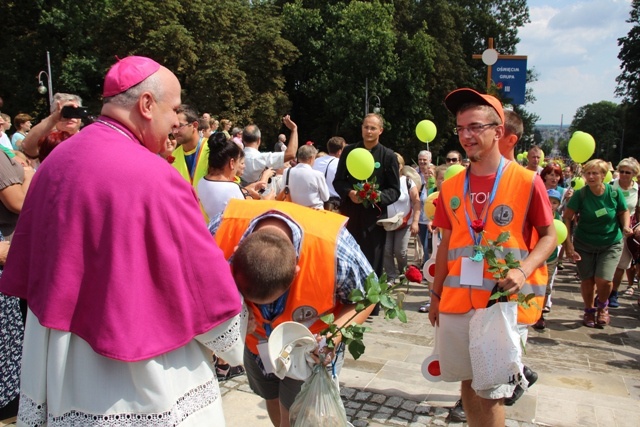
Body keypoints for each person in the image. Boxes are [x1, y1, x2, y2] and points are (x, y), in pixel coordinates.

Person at [0, 56, 244, 426]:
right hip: (140, 375)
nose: (177, 122)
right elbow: (201, 285)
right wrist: (236, 343)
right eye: (174, 109)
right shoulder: (155, 178)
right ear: (146, 105)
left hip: (60, 364)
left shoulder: (55, 162)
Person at [429, 88, 555, 427]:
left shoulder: (528, 181)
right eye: (460, 129)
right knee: (469, 382)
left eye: (475, 127)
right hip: (457, 300)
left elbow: (549, 236)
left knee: (493, 389)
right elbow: (445, 245)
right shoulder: (452, 187)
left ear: (498, 131)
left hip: (502, 302)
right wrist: (435, 296)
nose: (466, 136)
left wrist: (524, 270)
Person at [210, 199, 375, 427]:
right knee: (272, 397)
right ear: (237, 252)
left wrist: (333, 337)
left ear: (297, 267)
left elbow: (368, 297)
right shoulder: (222, 228)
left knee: (297, 417)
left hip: (308, 351)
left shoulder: (336, 248)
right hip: (256, 346)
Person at [564, 159, 631, 328]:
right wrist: (569, 245)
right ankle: (589, 310)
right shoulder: (581, 194)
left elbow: (624, 211)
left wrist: (626, 226)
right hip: (584, 243)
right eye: (588, 173)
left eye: (595, 173)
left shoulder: (614, 193)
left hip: (610, 243)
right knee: (587, 280)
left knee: (604, 279)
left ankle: (602, 306)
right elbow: (567, 217)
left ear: (603, 175)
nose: (591, 176)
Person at [334, 113, 400, 279]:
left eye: (373, 128)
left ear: (380, 131)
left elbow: (394, 190)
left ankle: (373, 304)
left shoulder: (388, 156)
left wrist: (377, 196)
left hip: (374, 220)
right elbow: (338, 181)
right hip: (351, 215)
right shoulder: (349, 151)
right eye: (366, 127)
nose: (368, 131)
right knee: (349, 260)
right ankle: (350, 301)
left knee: (372, 265)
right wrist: (350, 192)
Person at [382, 153, 420, 282]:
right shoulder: (384, 182)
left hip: (404, 223)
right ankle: (391, 276)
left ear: (401, 166)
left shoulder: (408, 181)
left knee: (400, 251)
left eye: (396, 164)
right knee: (386, 251)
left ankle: (404, 273)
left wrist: (415, 221)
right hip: (387, 223)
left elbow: (416, 202)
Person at [197, 132, 247, 220]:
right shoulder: (232, 188)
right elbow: (244, 216)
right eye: (238, 162)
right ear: (232, 163)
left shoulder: (201, 181)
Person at [533, 189, 564, 330]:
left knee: (545, 287)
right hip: (533, 255)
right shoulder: (535, 213)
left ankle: (540, 315)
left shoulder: (558, 218)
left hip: (550, 257)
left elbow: (561, 235)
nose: (551, 205)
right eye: (549, 201)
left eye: (555, 202)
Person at [20, 93, 83, 161]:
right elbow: (27, 147)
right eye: (65, 111)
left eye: (75, 111)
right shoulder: (47, 139)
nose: (71, 116)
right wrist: (53, 119)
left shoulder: (88, 138)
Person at [611, 158, 640, 303]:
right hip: (609, 227)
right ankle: (603, 292)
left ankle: (614, 292)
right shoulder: (611, 186)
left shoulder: (638, 190)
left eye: (627, 172)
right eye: (621, 171)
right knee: (607, 262)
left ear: (634, 173)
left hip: (628, 230)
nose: (623, 174)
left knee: (621, 264)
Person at [242, 117, 298, 183]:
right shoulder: (261, 158)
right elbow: (291, 154)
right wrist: (294, 129)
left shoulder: (235, 156)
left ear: (243, 140)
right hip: (257, 192)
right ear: (259, 140)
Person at [171, 104, 210, 191]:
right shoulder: (173, 157)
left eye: (180, 126)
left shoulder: (213, 149)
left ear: (195, 125)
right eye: (173, 127)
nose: (175, 131)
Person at [287, 144, 329, 209]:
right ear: (311, 158)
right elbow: (325, 197)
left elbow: (283, 191)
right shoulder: (317, 174)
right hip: (314, 212)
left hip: (293, 211)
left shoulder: (287, 171)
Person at [312, 136, 345, 211]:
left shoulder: (316, 161)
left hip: (316, 201)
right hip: (334, 203)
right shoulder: (340, 164)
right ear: (340, 151)